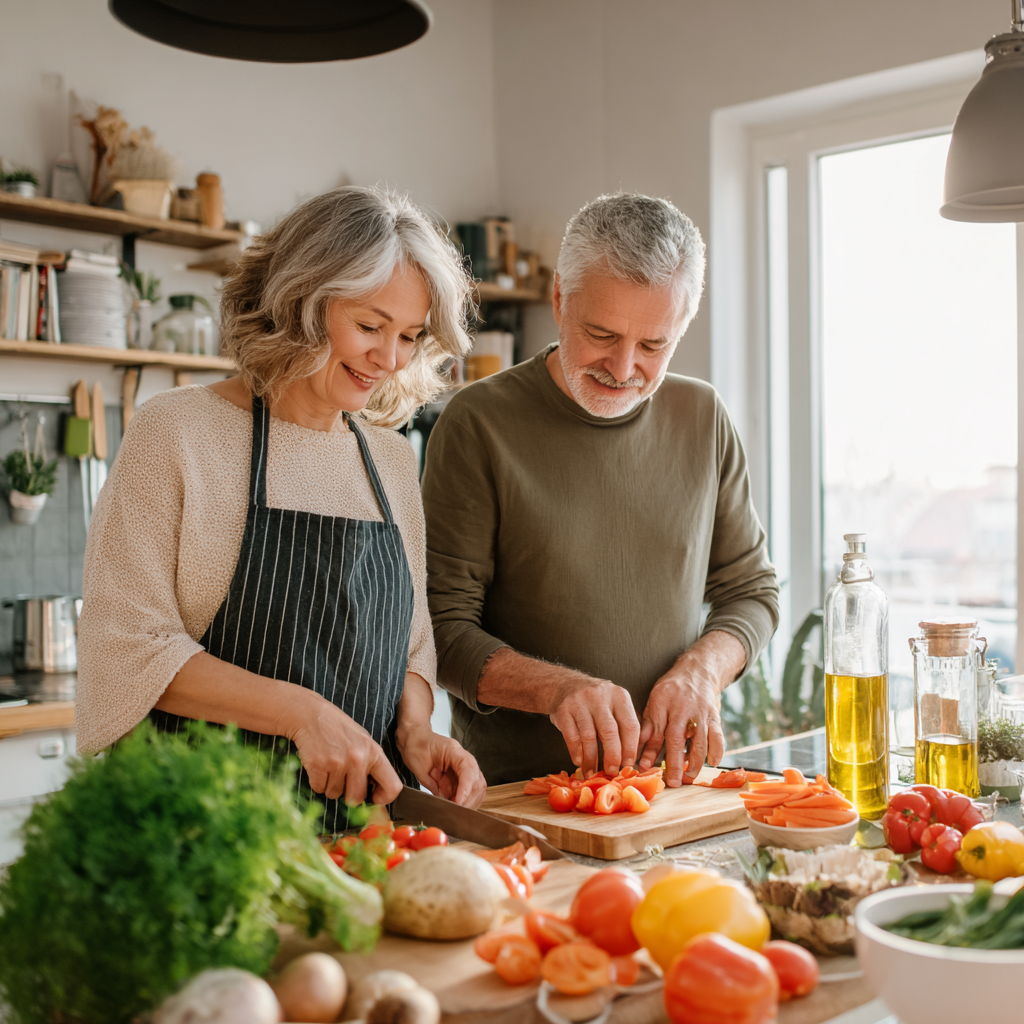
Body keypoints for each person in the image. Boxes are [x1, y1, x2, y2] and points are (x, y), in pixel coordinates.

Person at [77, 186, 487, 827]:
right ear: (299, 303)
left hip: (361, 840)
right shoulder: (178, 432)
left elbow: (412, 646)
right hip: (204, 837)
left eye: (409, 335)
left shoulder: (391, 458)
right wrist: (302, 714)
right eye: (370, 326)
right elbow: (129, 647)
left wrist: (415, 729)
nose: (390, 358)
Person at [422, 192, 779, 787]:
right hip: (521, 795)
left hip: (667, 789)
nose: (623, 366)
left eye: (654, 345)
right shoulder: (477, 422)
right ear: (560, 298)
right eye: (601, 334)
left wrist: (701, 670)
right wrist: (557, 689)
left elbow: (752, 592)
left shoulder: (703, 415)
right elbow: (439, 627)